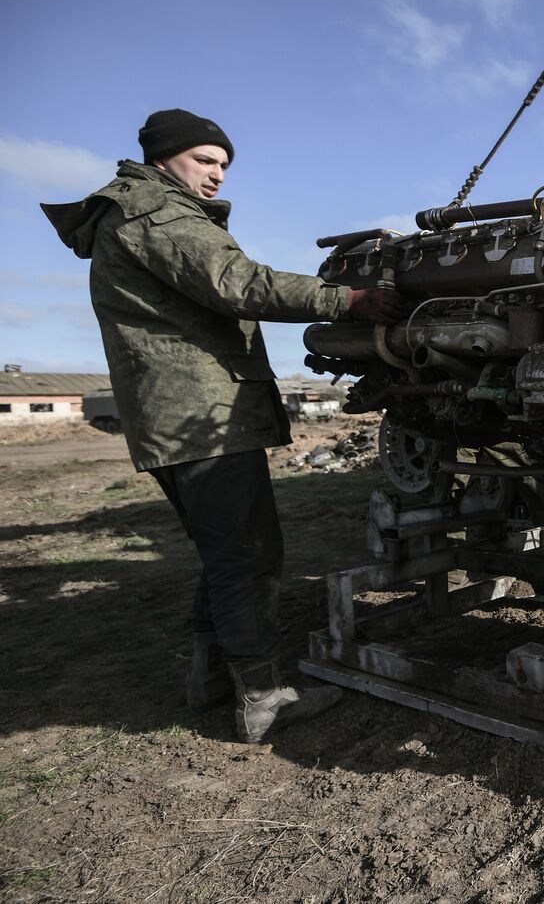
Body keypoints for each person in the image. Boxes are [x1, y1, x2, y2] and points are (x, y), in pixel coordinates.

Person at [42, 109, 403, 743]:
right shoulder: (155, 211)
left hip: (178, 418)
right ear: (164, 158)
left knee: (224, 554)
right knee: (248, 556)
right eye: (205, 160)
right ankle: (263, 697)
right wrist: (348, 300)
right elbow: (237, 283)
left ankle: (209, 678)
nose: (216, 175)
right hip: (200, 420)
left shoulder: (130, 213)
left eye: (224, 165)